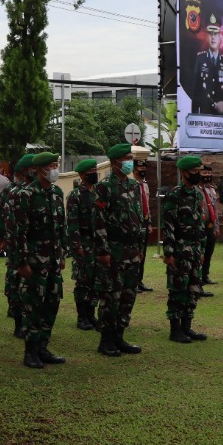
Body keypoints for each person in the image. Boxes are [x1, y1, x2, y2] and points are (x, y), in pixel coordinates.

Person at [10, 153, 69, 368]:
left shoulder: (56, 193)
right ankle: (30, 351)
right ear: (40, 169)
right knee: (33, 305)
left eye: (55, 165)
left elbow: (61, 227)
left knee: (52, 302)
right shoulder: (25, 195)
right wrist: (22, 262)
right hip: (34, 260)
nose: (55, 169)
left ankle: (43, 347)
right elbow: (19, 232)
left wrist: (62, 254)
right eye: (51, 166)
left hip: (53, 259)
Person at [94, 144, 147, 355]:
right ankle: (106, 340)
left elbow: (138, 216)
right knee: (111, 296)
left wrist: (140, 247)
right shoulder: (105, 187)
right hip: (114, 249)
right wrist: (103, 251)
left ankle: (119, 336)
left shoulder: (134, 185)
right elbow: (98, 221)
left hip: (132, 249)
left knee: (128, 295)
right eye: (126, 158)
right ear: (115, 162)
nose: (129, 162)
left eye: (130, 158)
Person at [164, 155, 208, 343]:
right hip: (180, 249)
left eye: (199, 171)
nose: (198, 174)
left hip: (196, 249)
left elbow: (200, 223)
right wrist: (169, 252)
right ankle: (175, 330)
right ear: (184, 172)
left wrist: (202, 249)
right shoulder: (175, 195)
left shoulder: (198, 194)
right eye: (194, 171)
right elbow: (168, 225)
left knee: (193, 289)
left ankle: (186, 327)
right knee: (178, 289)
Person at [66, 158, 101, 331]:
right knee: (83, 281)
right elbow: (72, 223)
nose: (94, 174)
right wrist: (77, 246)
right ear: (82, 175)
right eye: (90, 172)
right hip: (83, 242)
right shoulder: (75, 196)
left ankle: (91, 314)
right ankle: (82, 317)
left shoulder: (99, 192)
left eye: (95, 170)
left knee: (96, 280)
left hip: (98, 243)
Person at [3, 153, 35, 333]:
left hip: (33, 247)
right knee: (15, 281)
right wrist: (3, 240)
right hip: (16, 244)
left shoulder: (40, 191)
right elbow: (6, 220)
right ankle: (17, 320)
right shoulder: (13, 192)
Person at [190, 13, 223, 115]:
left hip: (221, 117)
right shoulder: (200, 59)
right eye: (210, 33)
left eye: (216, 34)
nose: (213, 37)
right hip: (204, 114)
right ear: (207, 36)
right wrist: (195, 114)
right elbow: (195, 89)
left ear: (220, 38)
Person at [198, 166, 221, 291]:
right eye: (204, 172)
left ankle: (205, 275)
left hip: (210, 225)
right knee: (200, 252)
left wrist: (216, 226)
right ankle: (198, 278)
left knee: (209, 251)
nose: (207, 175)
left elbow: (215, 208)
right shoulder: (195, 189)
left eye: (208, 173)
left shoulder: (210, 189)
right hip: (199, 225)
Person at [134, 160, 155, 292]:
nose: (143, 170)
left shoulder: (145, 185)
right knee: (135, 252)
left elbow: (146, 204)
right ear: (134, 170)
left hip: (144, 222)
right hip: (135, 221)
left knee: (143, 252)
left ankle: (139, 280)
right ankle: (133, 281)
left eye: (144, 167)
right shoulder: (131, 185)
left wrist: (149, 222)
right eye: (140, 167)